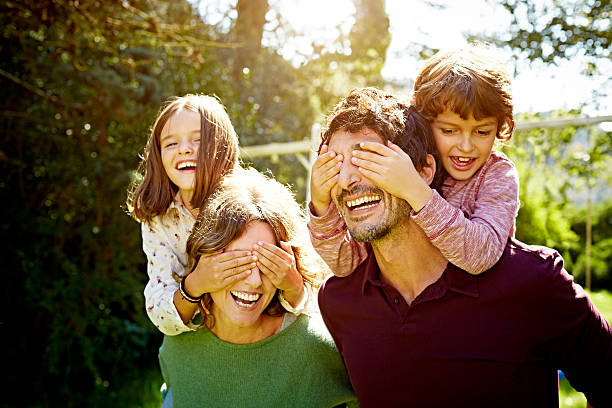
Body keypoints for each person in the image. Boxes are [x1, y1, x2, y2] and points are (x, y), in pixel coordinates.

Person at [315, 87, 612, 407]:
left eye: (370, 160)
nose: (346, 179)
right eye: (333, 165)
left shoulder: (531, 281)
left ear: (425, 171)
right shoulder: (338, 302)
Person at [309, 45, 518, 276]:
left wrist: (414, 190)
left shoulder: (497, 174)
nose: (466, 146)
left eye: (482, 132)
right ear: (426, 122)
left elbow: (480, 255)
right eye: (449, 131)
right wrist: (321, 206)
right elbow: (346, 264)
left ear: (499, 128)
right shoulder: (407, 166)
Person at [158, 168, 359, 407]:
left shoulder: (317, 349)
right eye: (236, 263)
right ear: (205, 257)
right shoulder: (178, 344)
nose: (253, 281)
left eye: (267, 264)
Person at [127, 94, 306, 335]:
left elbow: (309, 292)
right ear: (159, 156)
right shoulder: (160, 220)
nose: (184, 150)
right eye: (171, 144)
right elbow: (160, 311)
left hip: (268, 331)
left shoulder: (256, 202)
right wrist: (196, 284)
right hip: (204, 335)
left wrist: (293, 286)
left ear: (221, 147)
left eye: (197, 140)